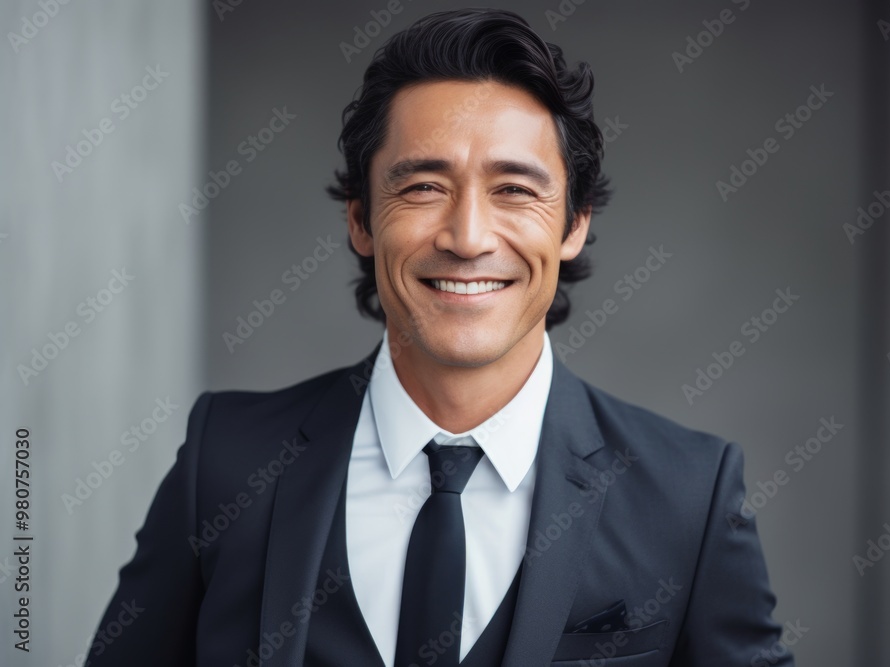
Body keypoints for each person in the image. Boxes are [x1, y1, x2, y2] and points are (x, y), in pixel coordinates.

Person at [87, 8, 794, 666]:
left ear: (574, 223)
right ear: (361, 219)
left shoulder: (689, 496)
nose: (467, 237)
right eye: (423, 187)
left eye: (515, 190)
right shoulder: (226, 461)